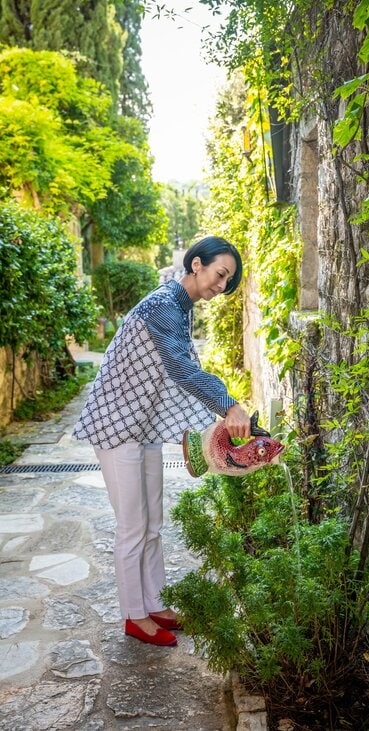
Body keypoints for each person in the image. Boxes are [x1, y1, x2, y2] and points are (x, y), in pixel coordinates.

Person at [73, 236, 251, 646]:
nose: (221, 286)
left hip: (142, 428)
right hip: (116, 428)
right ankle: (134, 616)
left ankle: (154, 603)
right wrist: (229, 406)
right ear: (197, 265)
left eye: (227, 281)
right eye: (220, 275)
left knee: (152, 522)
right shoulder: (162, 306)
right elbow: (182, 370)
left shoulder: (178, 305)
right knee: (133, 526)